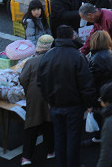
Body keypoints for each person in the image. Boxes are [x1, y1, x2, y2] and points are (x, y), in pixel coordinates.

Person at [37, 25, 96, 167]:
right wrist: (89, 104)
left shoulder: (47, 56)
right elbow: (86, 84)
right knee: (73, 139)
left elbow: (40, 82)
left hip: (55, 105)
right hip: (74, 106)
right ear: (72, 37)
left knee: (59, 138)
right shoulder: (77, 56)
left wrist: (48, 99)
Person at [19, 35, 55, 166]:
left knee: (32, 123)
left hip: (34, 95)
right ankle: (50, 151)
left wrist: (28, 90)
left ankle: (26, 157)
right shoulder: (54, 60)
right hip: (51, 95)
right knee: (49, 123)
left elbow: (23, 79)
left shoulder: (31, 62)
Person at [86, 31, 112, 147]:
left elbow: (92, 81)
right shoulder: (111, 53)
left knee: (101, 118)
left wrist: (90, 102)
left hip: (101, 93)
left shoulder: (96, 58)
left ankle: (101, 138)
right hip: (111, 90)